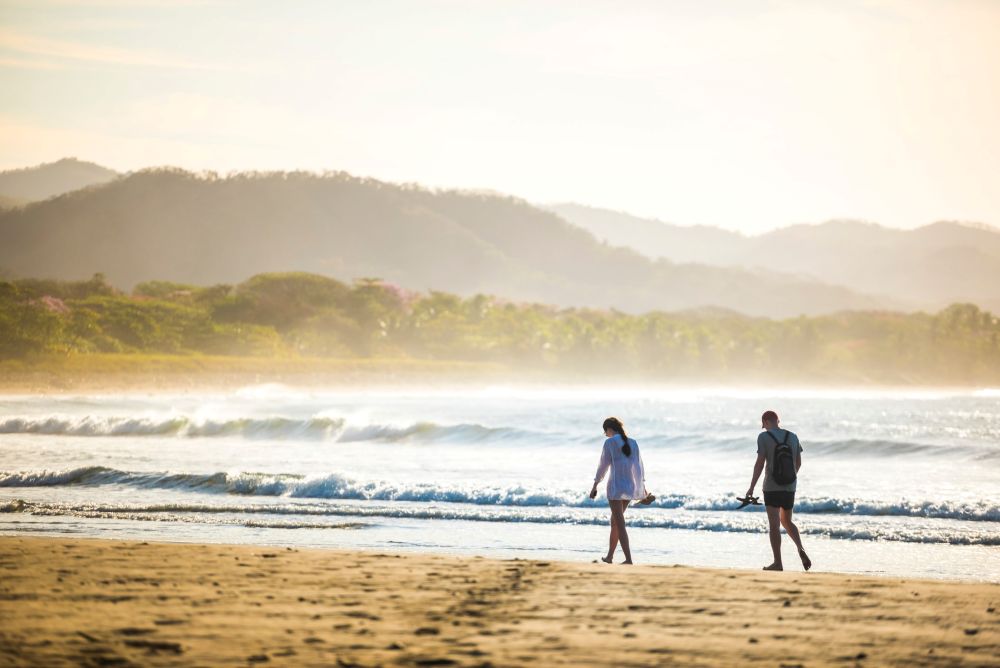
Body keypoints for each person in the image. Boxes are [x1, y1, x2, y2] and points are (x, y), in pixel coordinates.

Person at [746, 410, 811, 571]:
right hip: (790, 487)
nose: (764, 428)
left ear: (766, 421)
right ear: (778, 421)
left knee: (774, 525)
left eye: (764, 425)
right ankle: (800, 548)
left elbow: (760, 463)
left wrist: (751, 487)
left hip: (771, 487)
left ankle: (778, 563)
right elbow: (798, 463)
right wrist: (789, 479)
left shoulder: (763, 437)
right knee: (787, 521)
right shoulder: (793, 436)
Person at [590, 417, 652, 565]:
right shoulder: (633, 442)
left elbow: (603, 466)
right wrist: (641, 488)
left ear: (609, 429)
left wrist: (595, 485)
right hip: (629, 486)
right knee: (615, 522)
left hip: (615, 487)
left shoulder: (609, 443)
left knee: (619, 523)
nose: (605, 434)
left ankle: (628, 559)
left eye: (605, 431)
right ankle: (610, 556)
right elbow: (638, 468)